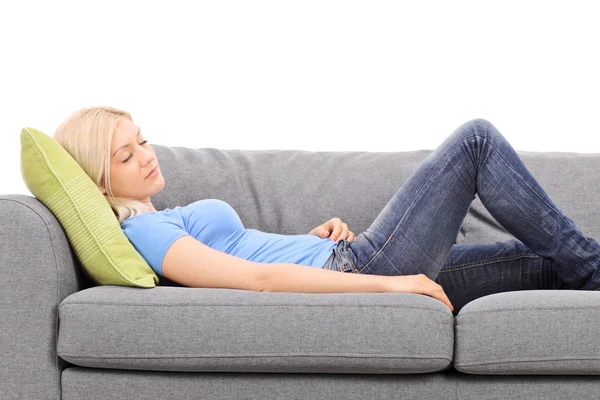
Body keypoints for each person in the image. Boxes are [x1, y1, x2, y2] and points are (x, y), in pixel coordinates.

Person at [54, 106, 600, 315]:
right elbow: (258, 279)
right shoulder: (145, 232)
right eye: (126, 154)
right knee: (476, 142)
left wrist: (312, 238)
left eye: (143, 141)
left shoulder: (162, 214)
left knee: (538, 264)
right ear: (99, 181)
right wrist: (391, 285)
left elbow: (255, 252)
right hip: (357, 268)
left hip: (340, 256)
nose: (146, 156)